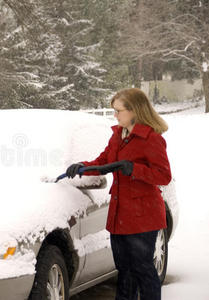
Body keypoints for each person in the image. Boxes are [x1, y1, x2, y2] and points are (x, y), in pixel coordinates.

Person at [66, 88, 172, 300]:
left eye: (118, 111)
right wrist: (82, 167)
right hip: (120, 215)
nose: (115, 115)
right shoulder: (118, 135)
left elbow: (163, 176)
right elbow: (104, 161)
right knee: (124, 271)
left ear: (134, 111)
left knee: (143, 269)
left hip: (143, 217)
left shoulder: (151, 138)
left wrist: (134, 169)